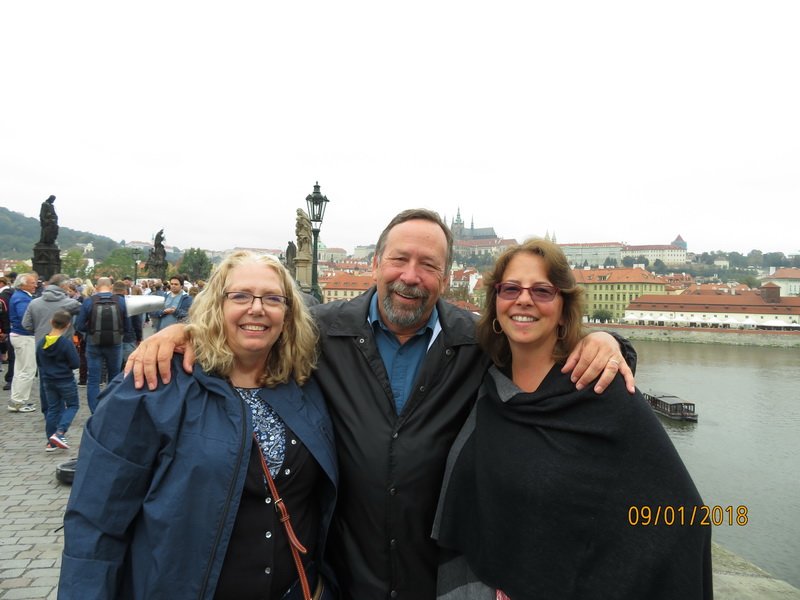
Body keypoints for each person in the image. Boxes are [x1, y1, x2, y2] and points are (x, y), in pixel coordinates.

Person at [127, 209, 635, 599]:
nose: (411, 276)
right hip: (346, 575)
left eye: (428, 265)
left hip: (439, 577)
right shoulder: (320, 331)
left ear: (446, 277)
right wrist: (183, 333)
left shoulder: (478, 341)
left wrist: (608, 342)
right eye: (399, 260)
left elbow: (545, 350)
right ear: (376, 264)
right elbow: (249, 338)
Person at [433, 239, 712, 599]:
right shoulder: (488, 387)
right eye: (511, 289)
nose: (523, 299)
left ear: (564, 309)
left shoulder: (602, 392)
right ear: (496, 302)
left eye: (542, 291)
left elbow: (684, 517)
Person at [59, 251, 338, 599]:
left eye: (272, 298)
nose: (257, 308)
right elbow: (96, 520)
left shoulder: (303, 384)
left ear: (289, 313)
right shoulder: (153, 383)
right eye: (240, 296)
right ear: (215, 306)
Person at [75, 277, 128, 413]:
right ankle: (111, 408)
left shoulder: (89, 301)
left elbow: (79, 325)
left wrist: (91, 331)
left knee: (93, 378)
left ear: (96, 287)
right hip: (115, 344)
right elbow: (127, 326)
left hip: (94, 343)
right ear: (111, 287)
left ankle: (95, 410)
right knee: (114, 376)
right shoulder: (121, 301)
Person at [36, 309, 80, 452]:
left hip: (48, 380)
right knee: (73, 405)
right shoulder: (66, 343)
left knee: (53, 409)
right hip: (65, 379)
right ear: (68, 325)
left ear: (51, 322)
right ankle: (60, 432)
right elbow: (75, 363)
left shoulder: (41, 342)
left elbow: (39, 362)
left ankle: (51, 442)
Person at [7, 272, 39, 413]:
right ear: (22, 284)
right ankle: (18, 402)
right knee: (27, 370)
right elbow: (24, 319)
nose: (35, 285)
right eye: (32, 283)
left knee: (20, 370)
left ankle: (17, 400)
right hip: (24, 337)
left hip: (19, 336)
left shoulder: (19, 296)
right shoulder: (22, 298)